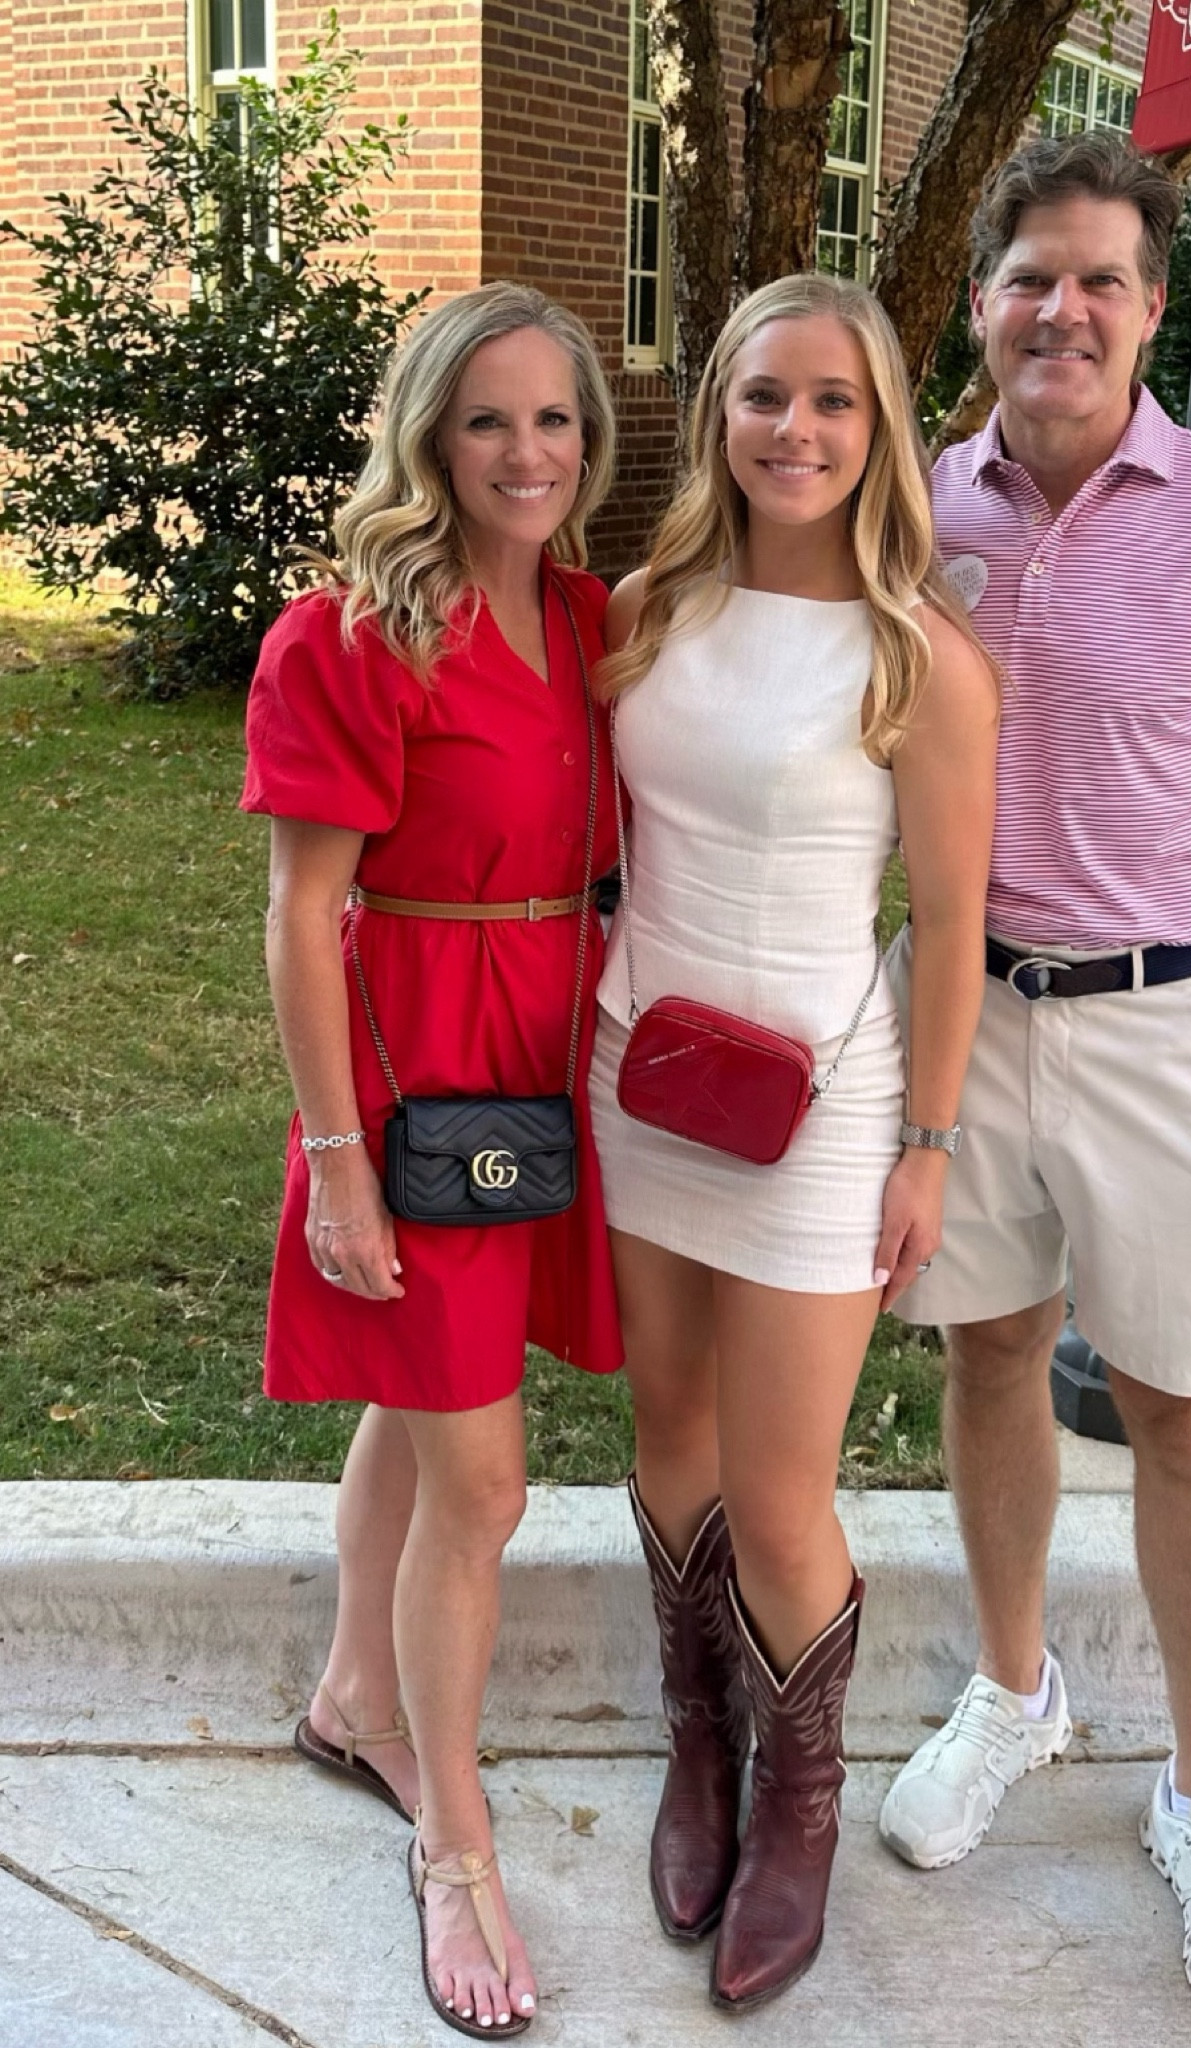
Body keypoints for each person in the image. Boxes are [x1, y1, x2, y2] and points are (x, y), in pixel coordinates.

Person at [876, 134, 1191, 2037]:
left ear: (1151, 308)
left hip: (1170, 1026)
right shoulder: (922, 515)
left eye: (1099, 279)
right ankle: (1014, 1688)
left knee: (1184, 1415)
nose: (1059, 309)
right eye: (1028, 276)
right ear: (983, 301)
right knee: (986, 1354)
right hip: (965, 1016)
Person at [590, 273, 1000, 2011]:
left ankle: (802, 1802)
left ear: (882, 429)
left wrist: (926, 1142)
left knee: (778, 1485)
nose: (797, 431)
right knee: (664, 1423)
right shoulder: (646, 610)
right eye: (767, 396)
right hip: (639, 1069)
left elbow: (957, 926)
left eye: (835, 403)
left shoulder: (922, 655)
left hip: (824, 1109)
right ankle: (700, 1745)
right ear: (721, 414)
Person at [241, 281, 623, 2041]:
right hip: (418, 1077)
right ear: (429, 436)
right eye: (487, 421)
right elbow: (302, 910)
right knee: (482, 1482)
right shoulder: (347, 636)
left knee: (423, 1399)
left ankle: (351, 1702)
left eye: (554, 420)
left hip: (552, 1054)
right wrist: (334, 1159)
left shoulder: (600, 620)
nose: (525, 454)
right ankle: (454, 1846)